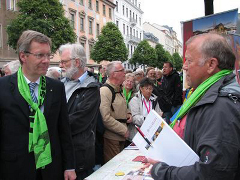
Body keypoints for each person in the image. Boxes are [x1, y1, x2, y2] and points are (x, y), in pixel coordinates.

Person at [149, 33, 240, 179]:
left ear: (211, 64)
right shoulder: (208, 95)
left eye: (189, 60)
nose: (184, 67)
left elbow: (212, 173)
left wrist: (162, 172)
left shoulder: (220, 107)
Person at [0, 30, 76, 180]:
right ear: (23, 56)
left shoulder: (56, 87)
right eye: (40, 55)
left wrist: (69, 166)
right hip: (14, 169)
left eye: (48, 55)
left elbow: (63, 130)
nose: (46, 60)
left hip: (51, 168)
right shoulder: (3, 87)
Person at [59, 43, 100, 180]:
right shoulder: (60, 84)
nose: (60, 65)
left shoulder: (91, 88)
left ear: (76, 62)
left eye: (64, 61)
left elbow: (79, 120)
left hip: (79, 156)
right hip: (60, 152)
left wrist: (50, 125)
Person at [99, 61, 132, 163]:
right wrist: (123, 130)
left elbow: (123, 105)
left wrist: (129, 114)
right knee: (114, 167)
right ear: (114, 74)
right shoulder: (105, 91)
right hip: (112, 138)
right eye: (122, 70)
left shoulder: (119, 89)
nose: (124, 73)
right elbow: (105, 117)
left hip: (121, 137)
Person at [128, 77, 162, 142]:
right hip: (138, 133)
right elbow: (134, 118)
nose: (149, 91)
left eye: (151, 88)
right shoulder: (135, 100)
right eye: (146, 88)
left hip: (151, 133)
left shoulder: (154, 100)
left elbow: (158, 114)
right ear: (141, 88)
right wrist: (150, 120)